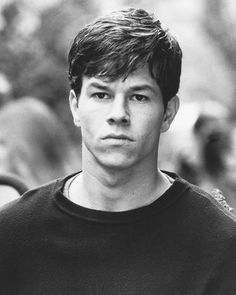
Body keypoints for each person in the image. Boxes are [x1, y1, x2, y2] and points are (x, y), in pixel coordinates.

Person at [0, 8, 235, 294]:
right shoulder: (11, 236)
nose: (118, 114)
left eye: (138, 96)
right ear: (75, 105)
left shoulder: (219, 244)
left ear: (168, 113)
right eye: (101, 94)